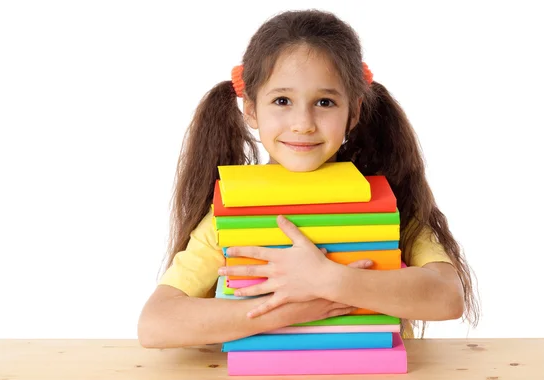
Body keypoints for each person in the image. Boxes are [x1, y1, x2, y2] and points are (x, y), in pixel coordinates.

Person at [137, 9, 479, 348]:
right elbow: (156, 324)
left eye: (325, 102)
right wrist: (289, 310)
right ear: (251, 109)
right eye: (282, 100)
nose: (303, 123)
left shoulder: (386, 203)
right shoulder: (231, 214)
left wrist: (329, 279)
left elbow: (447, 297)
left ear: (354, 111)